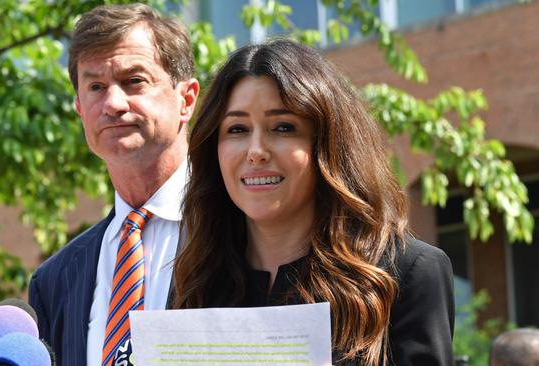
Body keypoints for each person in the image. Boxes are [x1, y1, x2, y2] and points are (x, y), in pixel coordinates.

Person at [172, 39, 454, 365]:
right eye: (237, 129)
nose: (256, 150)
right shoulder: (195, 279)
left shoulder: (405, 273)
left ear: (327, 145)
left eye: (283, 127)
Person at [28, 4, 198, 366]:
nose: (113, 103)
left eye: (134, 81)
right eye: (95, 87)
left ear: (186, 99)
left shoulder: (249, 230)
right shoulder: (54, 281)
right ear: (79, 109)